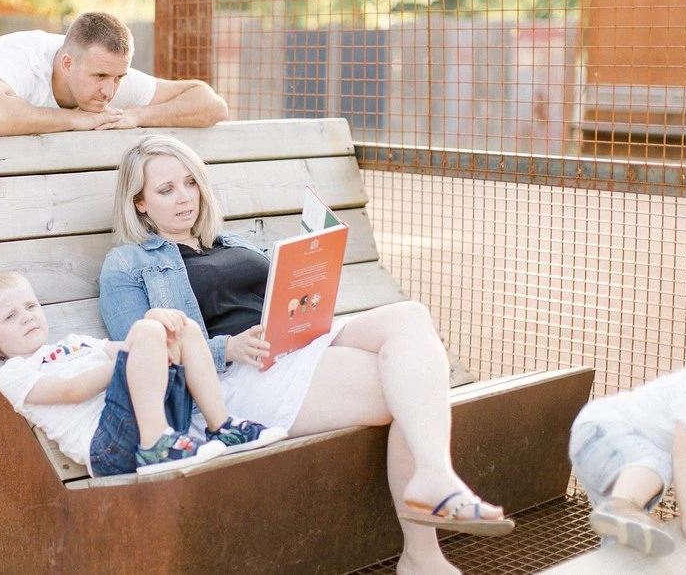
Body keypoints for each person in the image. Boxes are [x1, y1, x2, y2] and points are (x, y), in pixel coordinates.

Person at [98, 135, 514, 575]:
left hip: (297, 346)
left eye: (190, 183)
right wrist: (227, 348)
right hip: (234, 383)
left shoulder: (231, 240)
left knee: (409, 318)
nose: (184, 198)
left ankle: (432, 495)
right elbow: (141, 353)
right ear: (139, 203)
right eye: (166, 190)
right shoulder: (126, 264)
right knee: (409, 386)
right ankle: (423, 552)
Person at [0, 12, 228, 473]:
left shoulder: (107, 74)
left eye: (117, 79)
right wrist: (72, 120)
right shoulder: (23, 59)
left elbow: (210, 103)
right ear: (66, 62)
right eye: (99, 78)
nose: (108, 91)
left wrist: (136, 115)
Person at [0, 272, 287, 476]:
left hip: (159, 422)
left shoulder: (76, 343)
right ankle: (154, 445)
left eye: (31, 307)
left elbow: (137, 346)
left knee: (179, 329)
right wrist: (141, 343)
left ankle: (221, 427)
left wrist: (158, 324)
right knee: (147, 331)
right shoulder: (15, 373)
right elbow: (73, 391)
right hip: (111, 445)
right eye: (10, 316)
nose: (27, 318)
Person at [569, 346, 686, 557]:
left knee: (624, 534)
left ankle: (620, 522)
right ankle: (621, 507)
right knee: (659, 462)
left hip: (618, 462)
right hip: (603, 430)